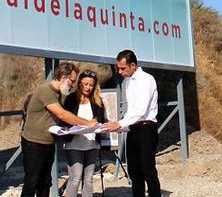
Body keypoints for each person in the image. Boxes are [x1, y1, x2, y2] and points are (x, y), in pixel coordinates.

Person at [20, 62, 97, 197]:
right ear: (62, 77)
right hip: (34, 143)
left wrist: (64, 128)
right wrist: (87, 124)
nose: (73, 85)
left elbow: (53, 117)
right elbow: (62, 113)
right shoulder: (45, 91)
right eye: (72, 81)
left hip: (48, 143)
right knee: (31, 183)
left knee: (45, 183)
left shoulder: (59, 93)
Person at [103, 50, 161, 197]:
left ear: (133, 65)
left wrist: (119, 123)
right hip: (133, 129)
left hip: (146, 128)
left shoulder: (146, 79)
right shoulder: (127, 82)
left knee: (148, 170)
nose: (120, 71)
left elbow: (141, 110)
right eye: (118, 68)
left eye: (123, 68)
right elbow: (131, 111)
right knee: (134, 172)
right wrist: (120, 126)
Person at [62, 69, 108, 197]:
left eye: (91, 85)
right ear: (79, 83)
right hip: (74, 143)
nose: (88, 87)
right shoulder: (71, 98)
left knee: (88, 179)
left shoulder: (97, 100)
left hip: (92, 143)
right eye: (85, 84)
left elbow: (100, 118)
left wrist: (96, 121)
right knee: (75, 177)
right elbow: (64, 118)